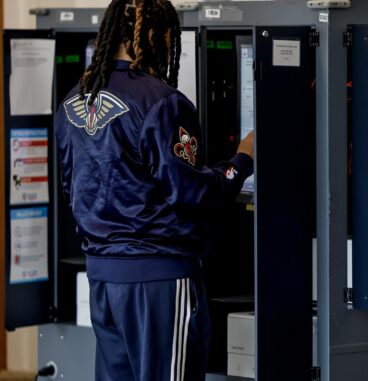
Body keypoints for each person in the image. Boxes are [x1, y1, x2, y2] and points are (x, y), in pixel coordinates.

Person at [53, 1, 254, 380]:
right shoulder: (162, 102)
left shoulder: (73, 100)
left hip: (103, 279)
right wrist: (240, 162)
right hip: (159, 279)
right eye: (165, 37)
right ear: (151, 36)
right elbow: (190, 192)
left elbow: (72, 187)